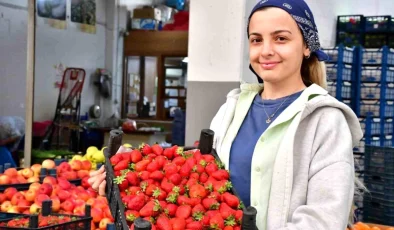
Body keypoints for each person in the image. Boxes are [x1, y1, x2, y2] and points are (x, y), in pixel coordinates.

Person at [89, 0, 363, 229]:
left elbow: (324, 219)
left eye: (281, 38)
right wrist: (127, 171)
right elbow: (197, 177)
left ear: (306, 47)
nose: (266, 50)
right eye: (256, 40)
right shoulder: (231, 109)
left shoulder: (326, 121)